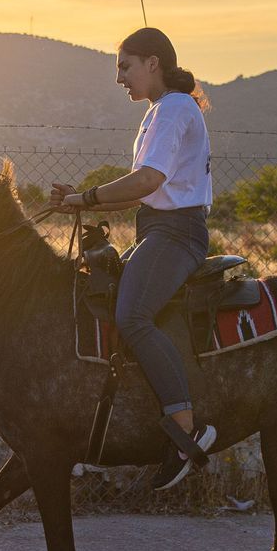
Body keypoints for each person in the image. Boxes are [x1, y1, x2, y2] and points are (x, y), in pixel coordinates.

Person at [50, 26, 217, 488]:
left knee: (134, 317)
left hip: (176, 233)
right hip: (159, 228)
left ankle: (187, 428)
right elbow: (138, 192)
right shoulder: (162, 110)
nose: (120, 77)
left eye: (125, 66)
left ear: (152, 64)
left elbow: (146, 182)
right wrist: (79, 201)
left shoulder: (174, 109)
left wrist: (86, 199)